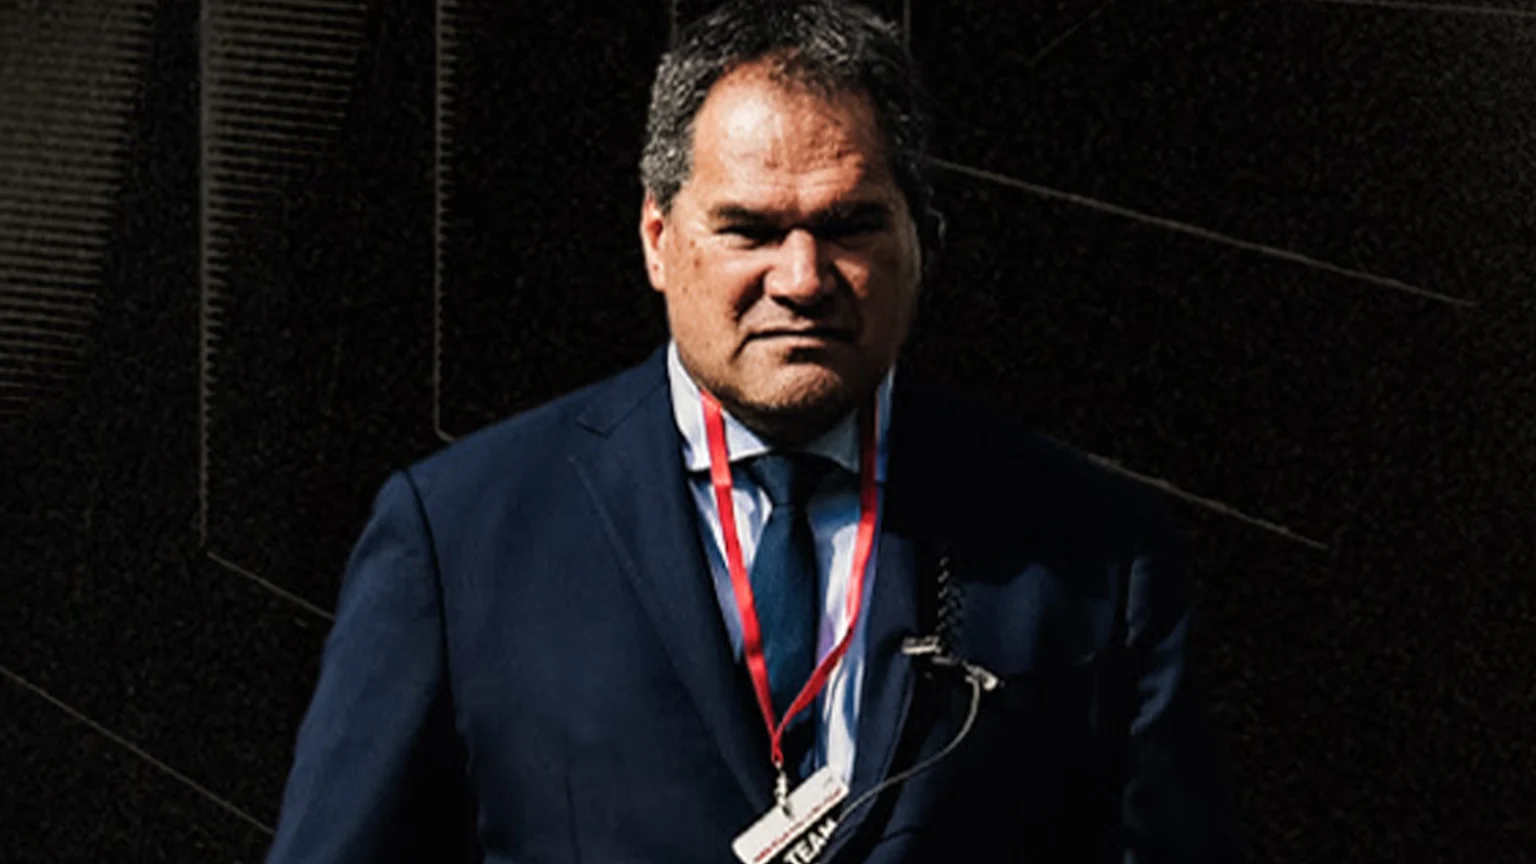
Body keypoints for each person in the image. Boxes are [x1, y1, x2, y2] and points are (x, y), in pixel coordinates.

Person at [265, 1, 1238, 861]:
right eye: (751, 230)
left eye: (851, 225)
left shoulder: (1094, 552)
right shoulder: (463, 537)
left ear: (922, 243)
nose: (803, 277)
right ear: (659, 240)